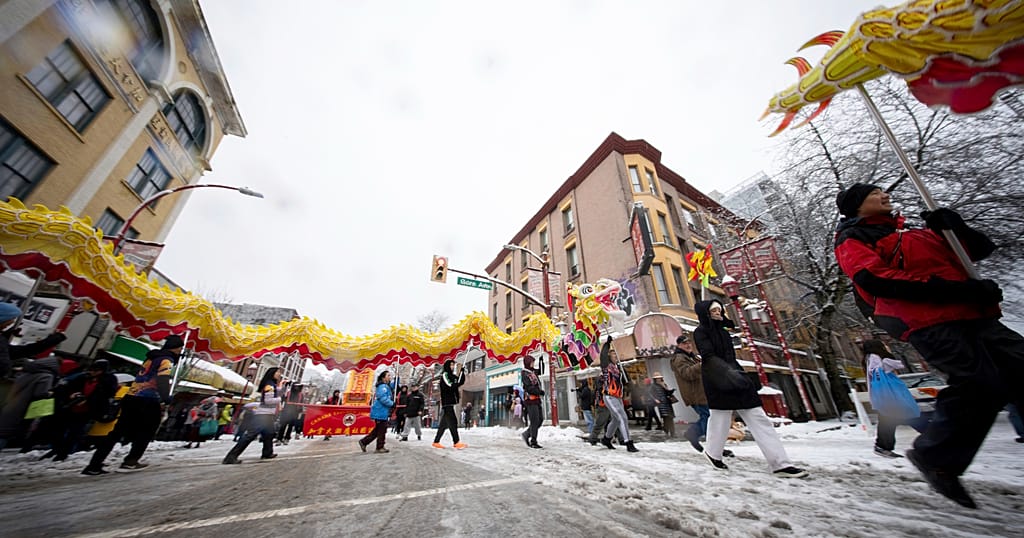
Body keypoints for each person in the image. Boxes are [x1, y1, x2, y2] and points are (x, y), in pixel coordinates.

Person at [834, 183, 1024, 508]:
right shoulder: (854, 238)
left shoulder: (916, 234)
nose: (884, 195)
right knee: (978, 383)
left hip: (977, 316)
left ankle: (937, 456)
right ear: (857, 205)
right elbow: (873, 278)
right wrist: (951, 290)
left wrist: (955, 226)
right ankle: (936, 457)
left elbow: (976, 250)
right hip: (928, 321)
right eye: (874, 193)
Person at [693, 300, 807, 478]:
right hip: (717, 377)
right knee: (720, 419)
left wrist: (736, 373)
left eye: (719, 309)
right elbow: (708, 356)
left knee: (757, 416)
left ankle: (780, 464)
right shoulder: (700, 332)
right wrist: (727, 373)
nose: (718, 312)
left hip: (736, 375)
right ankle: (713, 453)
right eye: (713, 310)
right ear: (705, 313)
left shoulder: (724, 331)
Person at [83, 334, 182, 474]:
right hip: (147, 399)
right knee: (147, 431)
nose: (180, 351)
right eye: (180, 348)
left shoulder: (151, 357)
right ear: (175, 348)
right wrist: (166, 397)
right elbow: (162, 379)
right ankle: (131, 460)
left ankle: (94, 464)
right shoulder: (166, 360)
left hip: (131, 396)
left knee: (116, 432)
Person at [863, 339, 929, 458]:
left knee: (891, 419)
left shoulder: (870, 358)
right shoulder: (875, 358)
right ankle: (934, 438)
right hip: (889, 395)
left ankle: (883, 446)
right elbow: (881, 371)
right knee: (907, 416)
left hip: (886, 395)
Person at [0, 354, 61, 451]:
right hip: (24, 408)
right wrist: (50, 393)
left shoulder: (29, 372)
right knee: (6, 434)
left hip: (11, 403)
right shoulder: (47, 376)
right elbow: (40, 393)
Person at [223, 367, 282, 464]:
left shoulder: (271, 385)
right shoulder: (269, 386)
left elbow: (274, 392)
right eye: (278, 372)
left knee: (269, 434)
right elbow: (268, 401)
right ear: (272, 373)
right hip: (263, 415)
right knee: (250, 435)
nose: (279, 374)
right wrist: (279, 399)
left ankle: (267, 452)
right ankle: (231, 456)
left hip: (267, 414)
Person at [599, 337, 637, 452]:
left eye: (616, 354)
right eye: (613, 354)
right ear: (609, 357)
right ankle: (628, 442)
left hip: (618, 396)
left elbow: (624, 381)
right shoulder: (606, 366)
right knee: (622, 417)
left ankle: (606, 439)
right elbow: (603, 356)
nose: (616, 356)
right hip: (609, 395)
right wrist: (607, 344)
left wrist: (629, 384)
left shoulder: (618, 368)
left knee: (616, 419)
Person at [432, 359, 467, 449]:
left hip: (451, 402)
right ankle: (456, 442)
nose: (452, 366)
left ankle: (436, 441)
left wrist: (462, 372)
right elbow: (450, 385)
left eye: (453, 365)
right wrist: (456, 383)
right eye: (451, 365)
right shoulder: (445, 375)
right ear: (447, 366)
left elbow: (460, 382)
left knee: (444, 424)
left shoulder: (453, 376)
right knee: (453, 422)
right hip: (447, 402)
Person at [358, 371, 395, 454]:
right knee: (382, 430)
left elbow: (394, 385)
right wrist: (392, 403)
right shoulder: (382, 387)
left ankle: (364, 442)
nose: (390, 377)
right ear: (383, 377)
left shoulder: (386, 386)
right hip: (380, 411)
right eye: (388, 375)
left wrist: (397, 378)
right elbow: (383, 398)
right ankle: (379, 447)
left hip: (382, 411)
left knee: (378, 430)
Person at [520, 355, 544, 449]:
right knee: (534, 421)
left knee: (540, 420)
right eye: (532, 362)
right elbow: (529, 388)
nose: (533, 364)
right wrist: (539, 391)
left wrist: (541, 361)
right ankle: (533, 441)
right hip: (530, 400)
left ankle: (526, 434)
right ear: (528, 363)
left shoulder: (532, 371)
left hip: (537, 399)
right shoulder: (525, 373)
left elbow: (541, 371)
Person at [650, 372, 677, 437]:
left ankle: (672, 433)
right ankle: (667, 431)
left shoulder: (664, 384)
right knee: (666, 418)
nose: (658, 379)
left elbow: (668, 393)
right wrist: (655, 399)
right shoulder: (653, 386)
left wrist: (671, 390)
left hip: (667, 403)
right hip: (661, 403)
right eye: (657, 378)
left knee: (670, 417)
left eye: (659, 378)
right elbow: (650, 394)